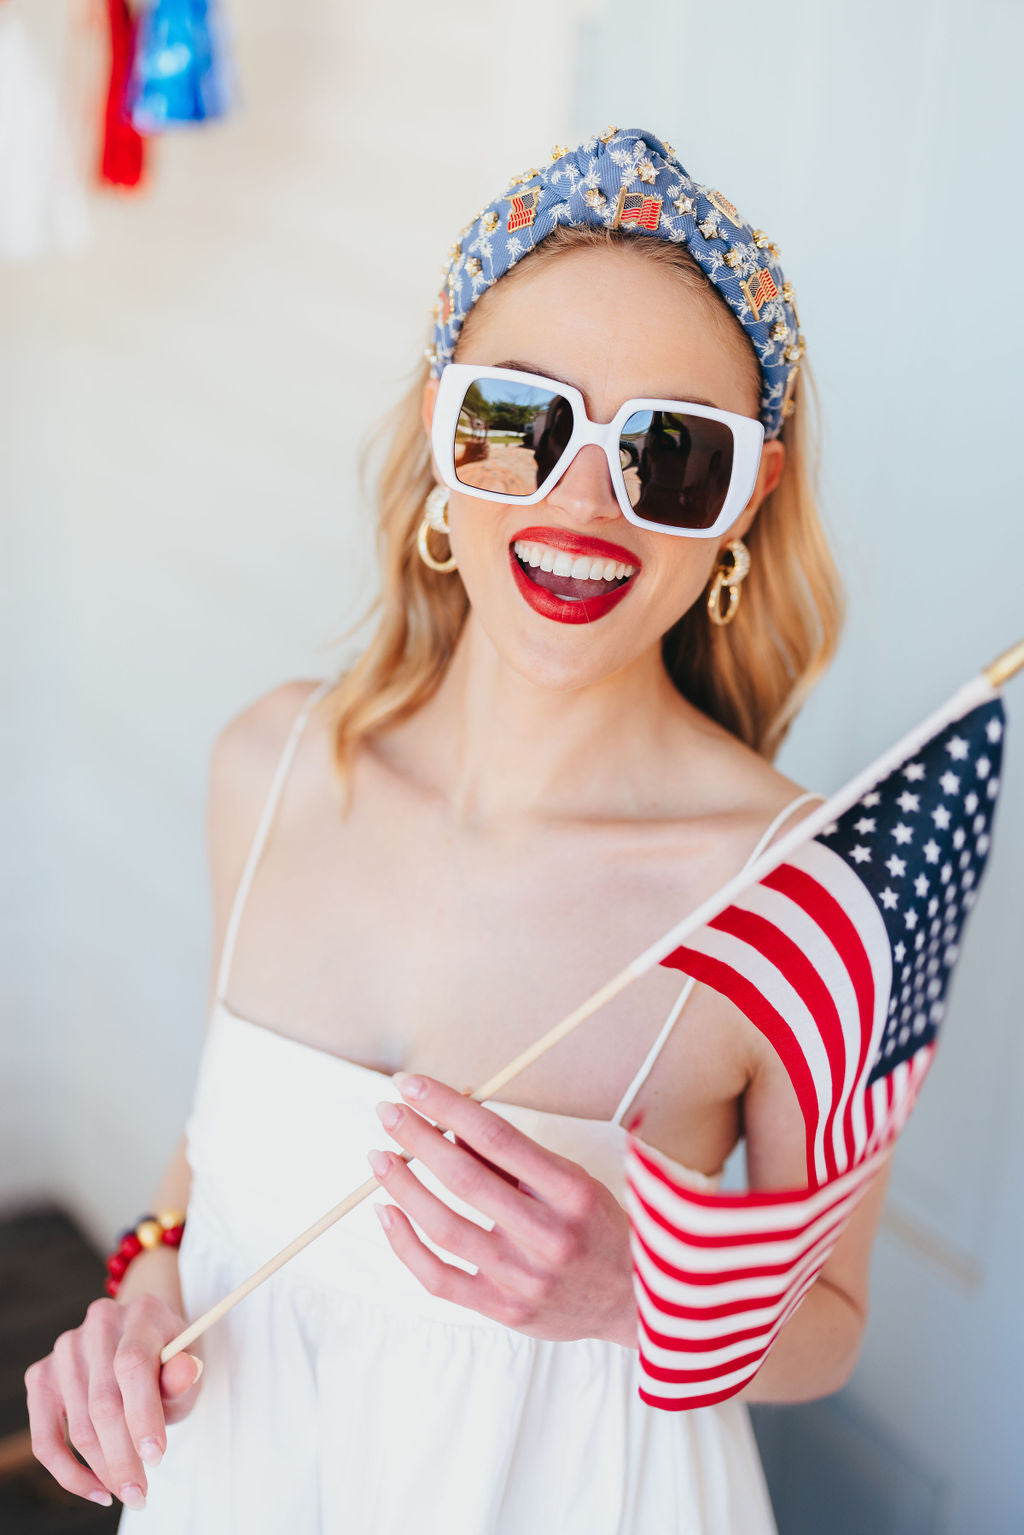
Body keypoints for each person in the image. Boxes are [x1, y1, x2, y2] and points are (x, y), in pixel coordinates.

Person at [25, 126, 893, 1532]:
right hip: (239, 1482)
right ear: (443, 431)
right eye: (521, 420)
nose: (584, 502)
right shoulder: (273, 763)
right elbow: (211, 1166)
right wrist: (137, 1292)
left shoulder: (798, 891)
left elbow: (832, 1318)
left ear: (746, 504)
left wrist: (632, 1291)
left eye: (671, 454)